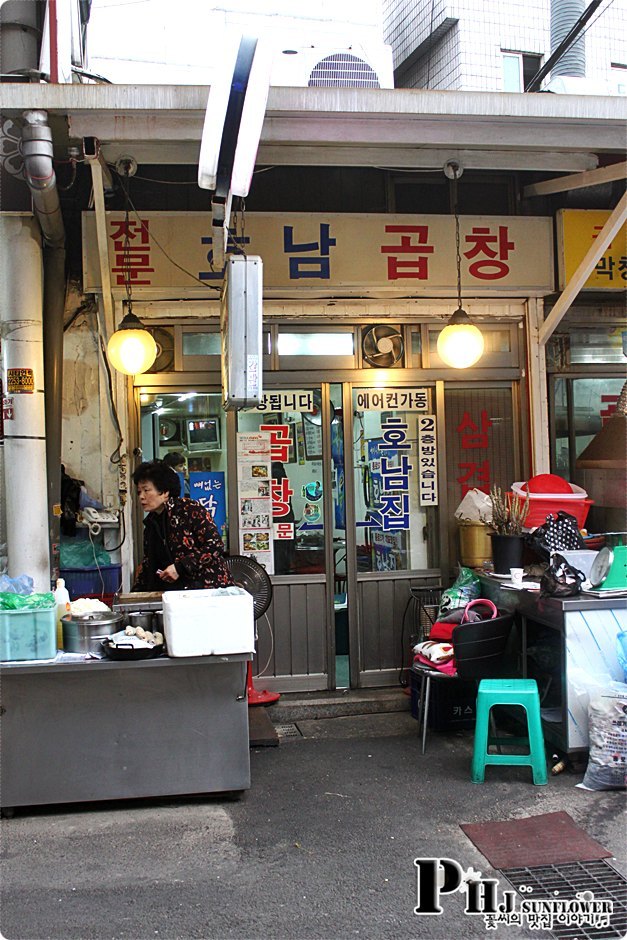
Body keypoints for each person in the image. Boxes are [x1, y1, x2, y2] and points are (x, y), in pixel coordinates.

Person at [132, 460, 233, 591]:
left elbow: (215, 545)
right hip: (177, 595)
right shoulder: (151, 523)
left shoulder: (189, 509)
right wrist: (135, 595)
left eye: (146, 490)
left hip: (208, 591)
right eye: (139, 492)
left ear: (164, 492)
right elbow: (149, 565)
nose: (141, 497)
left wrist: (180, 567)